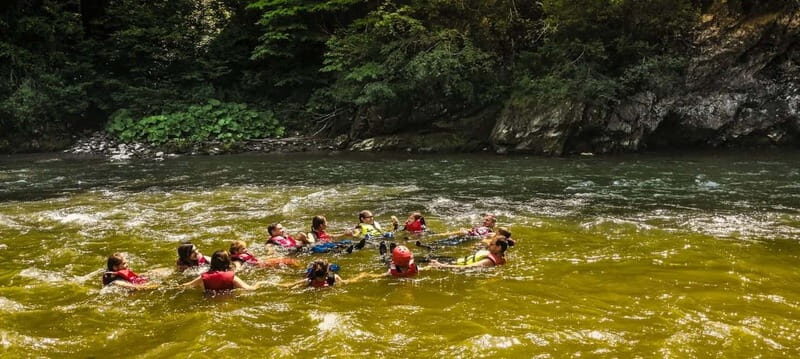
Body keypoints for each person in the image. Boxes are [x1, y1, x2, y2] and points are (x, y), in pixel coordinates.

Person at [182, 250, 257, 292]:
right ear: (227, 262)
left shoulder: (203, 277)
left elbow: (186, 286)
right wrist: (259, 284)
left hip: (209, 304)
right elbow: (249, 289)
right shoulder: (232, 277)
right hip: (228, 303)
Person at [417, 214, 497, 249]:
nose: (484, 221)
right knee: (449, 240)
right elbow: (471, 230)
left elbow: (485, 238)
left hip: (470, 238)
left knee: (453, 243)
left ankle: (433, 245)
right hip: (466, 235)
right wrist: (464, 230)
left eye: (487, 220)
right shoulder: (479, 227)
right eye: (484, 220)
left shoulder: (490, 231)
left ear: (493, 223)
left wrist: (476, 245)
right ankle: (431, 244)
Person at [429, 235, 510, 269]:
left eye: (492, 244)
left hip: (454, 264)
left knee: (426, 261)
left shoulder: (488, 261)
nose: (489, 246)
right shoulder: (501, 253)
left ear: (499, 247)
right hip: (456, 260)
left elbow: (466, 268)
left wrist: (441, 265)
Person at [230, 240, 298, 271]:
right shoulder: (238, 260)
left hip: (261, 262)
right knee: (289, 261)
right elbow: (237, 266)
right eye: (243, 249)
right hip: (261, 265)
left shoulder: (243, 255)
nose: (246, 250)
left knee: (288, 260)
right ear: (236, 251)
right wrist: (236, 270)